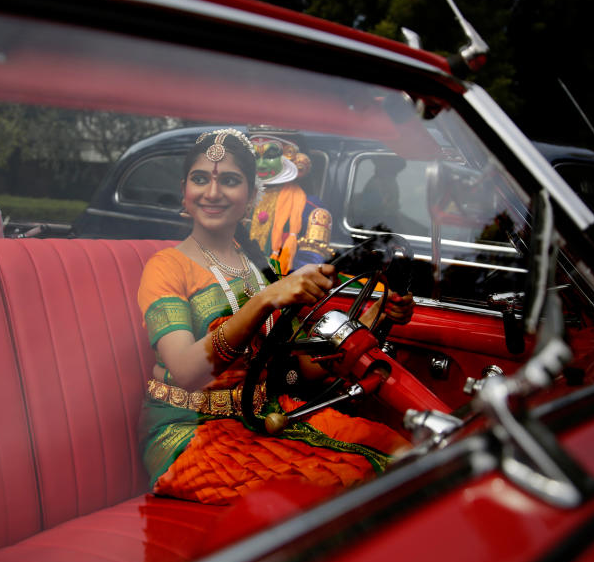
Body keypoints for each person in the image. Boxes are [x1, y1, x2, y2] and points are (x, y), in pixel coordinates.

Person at [137, 128, 415, 506]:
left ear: (251, 197)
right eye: (200, 179)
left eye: (230, 181)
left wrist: (376, 314)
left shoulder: (257, 267)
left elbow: (302, 370)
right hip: (189, 434)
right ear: (184, 192)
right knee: (347, 484)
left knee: (401, 451)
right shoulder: (166, 267)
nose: (212, 192)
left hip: (265, 413)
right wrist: (266, 299)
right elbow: (186, 370)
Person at [247, 135, 333, 275]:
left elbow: (309, 266)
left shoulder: (312, 208)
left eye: (270, 156)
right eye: (255, 156)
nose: (260, 165)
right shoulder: (239, 198)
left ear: (291, 157)